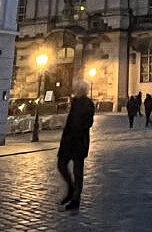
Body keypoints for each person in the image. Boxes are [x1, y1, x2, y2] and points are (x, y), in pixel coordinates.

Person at [57, 80, 95, 211]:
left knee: (78, 172)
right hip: (68, 141)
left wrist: (78, 130)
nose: (75, 90)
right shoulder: (74, 102)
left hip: (79, 141)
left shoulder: (88, 104)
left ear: (82, 90)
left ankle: (75, 199)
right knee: (61, 164)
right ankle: (71, 189)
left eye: (77, 89)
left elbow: (88, 123)